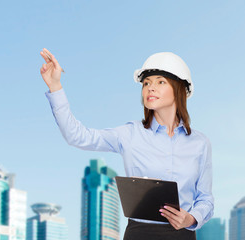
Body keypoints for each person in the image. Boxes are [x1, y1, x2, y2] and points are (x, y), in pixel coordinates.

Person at [39, 48, 214, 240]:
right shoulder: (130, 134)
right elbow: (77, 136)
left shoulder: (200, 143)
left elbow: (205, 198)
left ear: (179, 89)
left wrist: (190, 219)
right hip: (139, 233)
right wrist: (55, 86)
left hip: (182, 236)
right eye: (146, 83)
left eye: (160, 82)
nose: (150, 88)